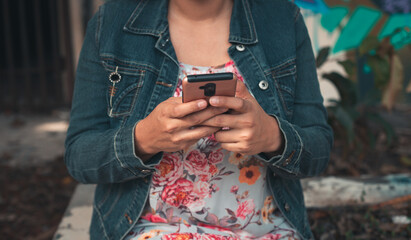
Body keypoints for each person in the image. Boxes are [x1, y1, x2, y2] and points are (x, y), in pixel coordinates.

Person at [64, 0, 333, 239]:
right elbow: (79, 157)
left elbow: (319, 149)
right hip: (148, 229)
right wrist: (143, 139)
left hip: (267, 230)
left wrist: (273, 137)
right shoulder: (111, 23)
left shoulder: (283, 19)